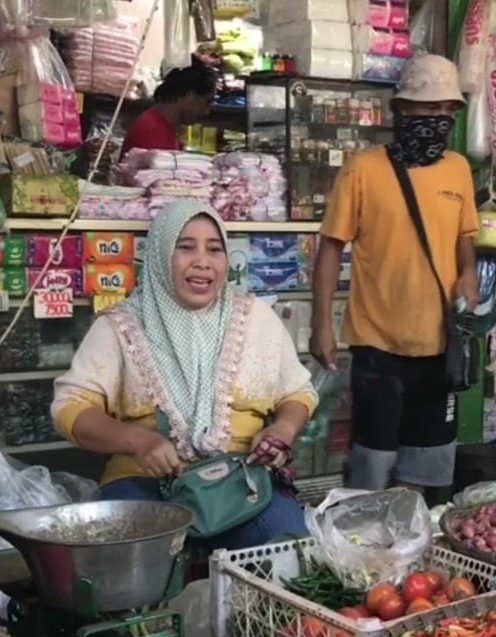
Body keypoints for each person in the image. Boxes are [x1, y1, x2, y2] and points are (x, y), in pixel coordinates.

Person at [51, 200, 316, 547]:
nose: (202, 262)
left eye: (215, 249)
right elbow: (70, 408)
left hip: (243, 479)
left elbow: (297, 392)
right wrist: (139, 442)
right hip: (144, 480)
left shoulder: (256, 319)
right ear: (161, 255)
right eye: (186, 247)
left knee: (289, 555)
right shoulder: (120, 326)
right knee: (132, 575)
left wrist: (281, 429)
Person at [309, 54, 479, 493]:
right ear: (400, 110)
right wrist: (321, 326)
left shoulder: (458, 169)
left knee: (423, 469)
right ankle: (368, 552)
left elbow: (465, 236)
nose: (437, 119)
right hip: (377, 346)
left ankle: (408, 552)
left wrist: (468, 274)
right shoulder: (362, 170)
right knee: (373, 469)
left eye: (446, 111)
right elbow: (329, 250)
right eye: (426, 108)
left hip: (440, 347)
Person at [119, 59, 216, 158]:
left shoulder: (160, 125)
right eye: (206, 102)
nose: (206, 112)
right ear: (190, 95)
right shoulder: (153, 132)